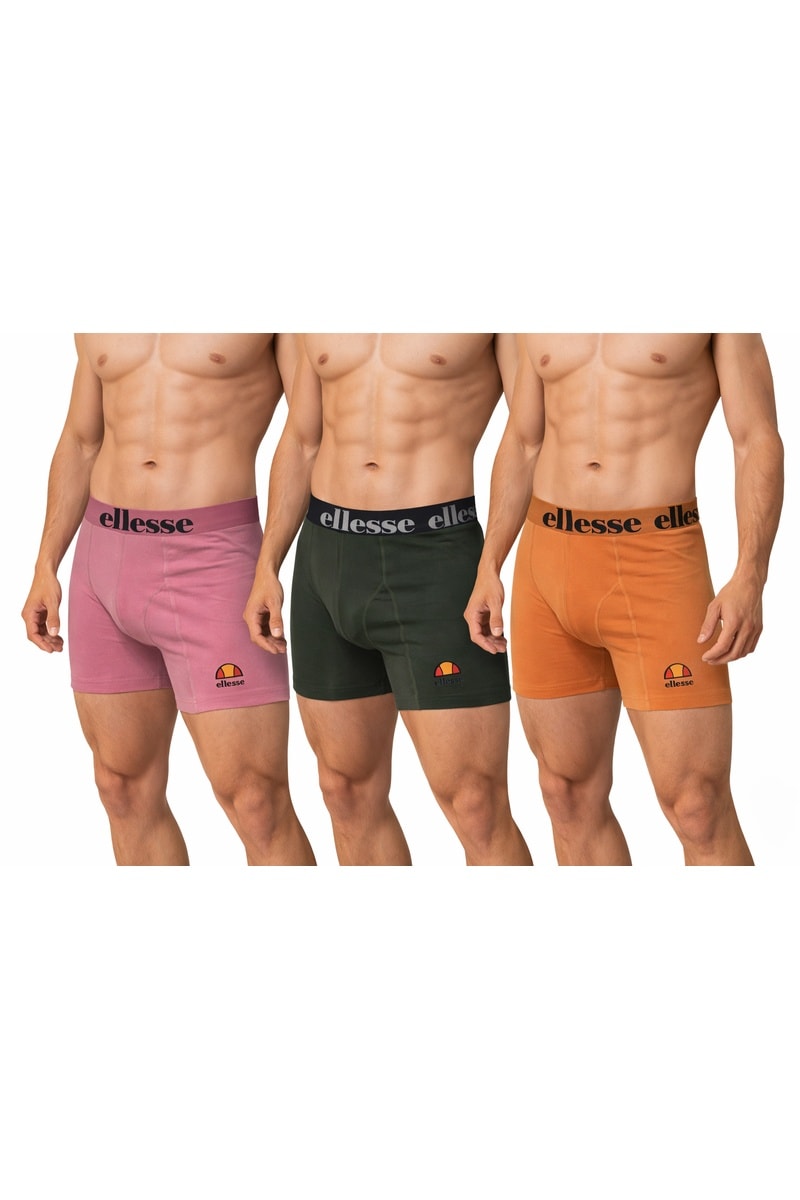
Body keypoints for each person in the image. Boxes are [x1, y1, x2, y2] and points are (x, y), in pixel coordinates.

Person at [465, 333, 783, 865]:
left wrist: (751, 572)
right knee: (566, 793)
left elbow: (756, 437)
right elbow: (523, 440)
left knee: (697, 806)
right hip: (548, 561)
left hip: (656, 560)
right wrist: (489, 563)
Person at [22, 333, 316, 866]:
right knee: (121, 786)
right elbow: (82, 439)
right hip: (104, 560)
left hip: (212, 562)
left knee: (256, 801)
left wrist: (270, 560)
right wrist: (46, 562)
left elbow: (309, 434)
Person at [244, 334, 533, 866]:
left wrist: (492, 561)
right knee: (344, 790)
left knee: (475, 803)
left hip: (434, 557)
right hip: (326, 556)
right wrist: (268, 563)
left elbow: (529, 434)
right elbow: (302, 438)